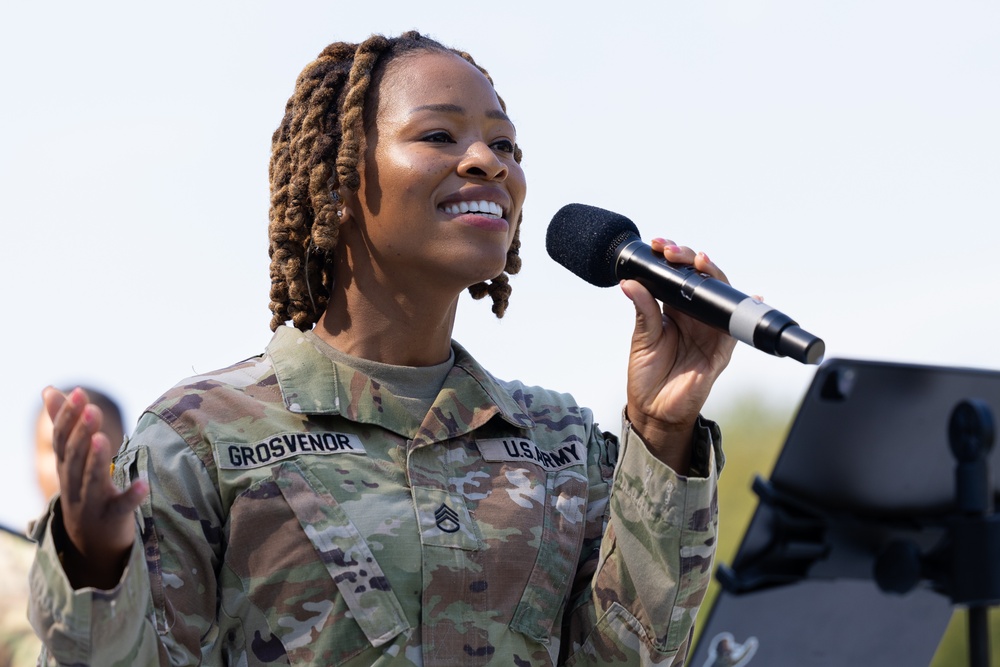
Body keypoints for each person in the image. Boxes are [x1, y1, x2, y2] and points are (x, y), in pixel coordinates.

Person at [29, 31, 736, 666]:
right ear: (338, 183)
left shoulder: (560, 443)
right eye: (438, 136)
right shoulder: (199, 437)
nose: (487, 162)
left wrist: (664, 432)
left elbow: (632, 658)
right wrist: (94, 564)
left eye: (505, 144)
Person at [0, 388, 123, 667]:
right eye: (55, 447)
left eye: (88, 446)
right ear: (34, 462)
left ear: (124, 455)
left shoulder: (164, 549)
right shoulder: (5, 561)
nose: (70, 463)